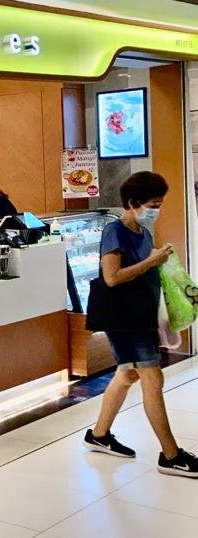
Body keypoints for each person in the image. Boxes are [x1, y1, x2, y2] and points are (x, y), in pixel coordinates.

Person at [83, 172, 198, 477]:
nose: (156, 210)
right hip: (124, 318)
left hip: (140, 315)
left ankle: (99, 435)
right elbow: (112, 277)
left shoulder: (143, 232)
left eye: (159, 204)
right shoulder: (115, 231)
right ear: (133, 203)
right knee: (152, 378)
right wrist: (151, 262)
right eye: (153, 205)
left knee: (127, 374)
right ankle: (171, 455)